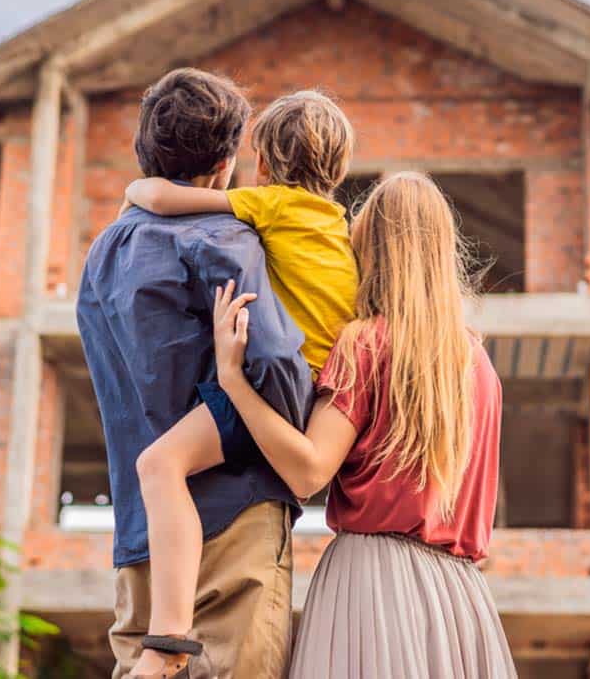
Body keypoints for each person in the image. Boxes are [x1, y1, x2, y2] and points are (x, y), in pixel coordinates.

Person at [211, 171, 517, 678]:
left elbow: (309, 471)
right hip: (462, 599)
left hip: (374, 586)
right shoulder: (478, 364)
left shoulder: (366, 343)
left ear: (369, 250)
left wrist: (233, 380)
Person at [76, 68, 314, 679]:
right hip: (235, 522)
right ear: (227, 158)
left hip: (143, 538)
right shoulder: (224, 238)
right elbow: (274, 362)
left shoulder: (102, 255)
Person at [123, 90, 358, 678]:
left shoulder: (272, 205)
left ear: (262, 160)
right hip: (320, 402)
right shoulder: (339, 227)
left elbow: (159, 196)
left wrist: (134, 191)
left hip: (279, 389)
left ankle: (167, 638)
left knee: (158, 466)